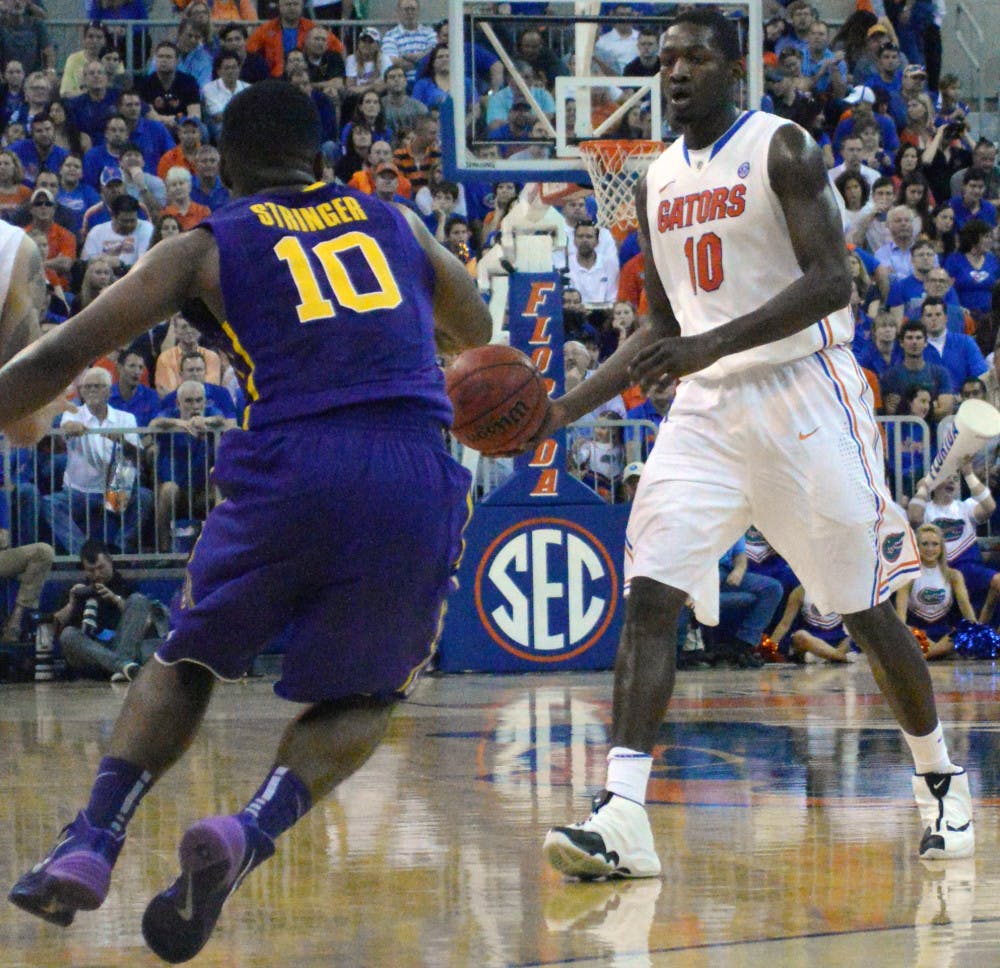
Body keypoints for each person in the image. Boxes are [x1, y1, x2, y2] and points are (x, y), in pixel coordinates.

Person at [3, 78, 491, 961]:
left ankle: (93, 836)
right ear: (324, 158)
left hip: (294, 463)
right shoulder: (402, 225)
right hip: (413, 466)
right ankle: (250, 830)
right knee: (367, 696)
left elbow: (70, 352)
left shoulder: (205, 245)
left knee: (188, 655)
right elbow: (478, 325)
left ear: (224, 164)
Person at [532, 10, 973, 882]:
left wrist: (706, 346)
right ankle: (623, 815)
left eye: (695, 57)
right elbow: (660, 328)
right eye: (666, 61)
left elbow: (831, 283)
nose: (677, 73)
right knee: (652, 588)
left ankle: (941, 781)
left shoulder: (785, 149)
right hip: (708, 408)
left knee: (862, 607)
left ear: (735, 69)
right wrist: (560, 411)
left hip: (806, 398)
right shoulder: (657, 178)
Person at [39, 366, 151, 555]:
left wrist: (121, 441)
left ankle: (118, 550)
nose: (91, 390)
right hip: (78, 492)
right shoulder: (74, 412)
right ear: (81, 391)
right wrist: (71, 427)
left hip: (115, 490)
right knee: (50, 504)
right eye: (86, 387)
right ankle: (85, 552)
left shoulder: (125, 418)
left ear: (108, 390)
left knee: (144, 497)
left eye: (97, 386)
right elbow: (66, 426)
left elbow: (137, 456)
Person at [54, 539, 160, 682]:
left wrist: (115, 599)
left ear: (110, 561)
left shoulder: (126, 587)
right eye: (91, 570)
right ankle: (124, 667)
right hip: (90, 652)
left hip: (120, 646)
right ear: (84, 570)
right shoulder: (78, 591)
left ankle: (122, 665)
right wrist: (72, 603)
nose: (97, 574)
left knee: (138, 600)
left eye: (101, 567)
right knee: (67, 635)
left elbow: (145, 624)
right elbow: (55, 625)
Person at [895, 523, 977, 660]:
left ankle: (928, 654)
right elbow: (900, 617)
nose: (930, 549)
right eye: (925, 544)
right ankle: (935, 653)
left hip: (945, 636)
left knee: (965, 631)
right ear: (917, 547)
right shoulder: (907, 576)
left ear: (941, 548)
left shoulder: (953, 575)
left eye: (935, 544)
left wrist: (976, 632)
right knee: (903, 630)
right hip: (916, 634)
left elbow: (967, 611)